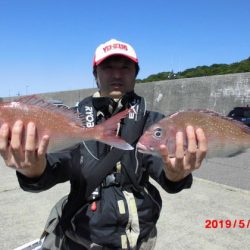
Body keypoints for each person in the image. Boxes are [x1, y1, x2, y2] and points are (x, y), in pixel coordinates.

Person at [0, 38, 207, 250]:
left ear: (136, 73)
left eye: (125, 67)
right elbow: (56, 164)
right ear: (95, 74)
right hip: (83, 240)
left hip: (141, 239)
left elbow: (163, 169)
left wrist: (176, 174)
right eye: (108, 67)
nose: (117, 75)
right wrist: (33, 171)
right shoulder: (74, 120)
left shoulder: (154, 123)